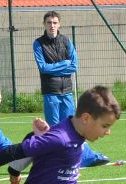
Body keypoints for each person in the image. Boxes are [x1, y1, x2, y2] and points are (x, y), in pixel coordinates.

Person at [33, 11, 110, 167]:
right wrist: (64, 64)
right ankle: (54, 161)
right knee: (53, 129)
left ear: (59, 24)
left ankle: (86, 158)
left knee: (75, 127)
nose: (52, 25)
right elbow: (43, 67)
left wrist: (59, 67)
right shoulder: (38, 43)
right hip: (50, 92)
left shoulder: (66, 41)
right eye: (49, 22)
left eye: (55, 23)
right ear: (44, 24)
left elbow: (74, 66)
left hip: (67, 92)